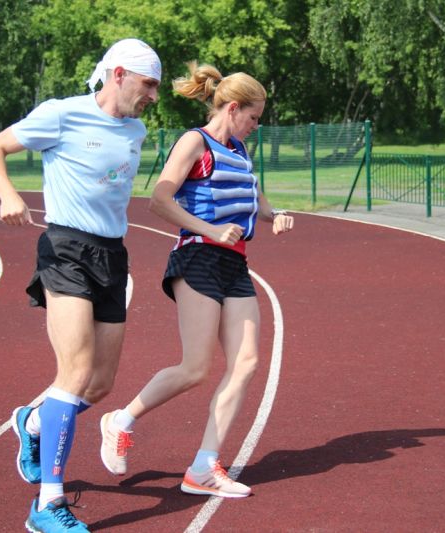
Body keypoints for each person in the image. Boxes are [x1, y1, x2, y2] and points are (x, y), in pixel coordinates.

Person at [0, 38, 161, 533]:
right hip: (66, 249)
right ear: (119, 74)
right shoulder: (62, 114)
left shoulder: (137, 129)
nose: (153, 96)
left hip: (113, 256)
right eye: (148, 85)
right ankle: (48, 503)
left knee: (100, 385)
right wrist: (8, 195)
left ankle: (34, 421)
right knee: (75, 373)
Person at [98, 62, 294, 498]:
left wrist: (276, 215)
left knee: (246, 363)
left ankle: (204, 467)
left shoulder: (240, 151)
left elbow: (255, 200)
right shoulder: (195, 142)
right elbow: (159, 200)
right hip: (198, 257)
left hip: (234, 264)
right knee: (195, 369)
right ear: (233, 108)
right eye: (254, 117)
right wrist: (210, 230)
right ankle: (120, 421)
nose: (256, 126)